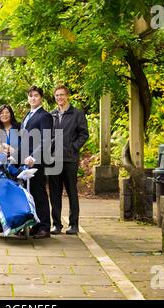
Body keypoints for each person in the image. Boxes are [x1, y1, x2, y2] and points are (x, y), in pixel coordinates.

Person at [48, 85, 89, 235]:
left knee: (72, 191)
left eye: (62, 95)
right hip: (53, 160)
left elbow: (84, 134)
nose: (59, 98)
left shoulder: (77, 114)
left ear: (67, 96)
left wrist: (73, 147)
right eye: (57, 95)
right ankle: (56, 224)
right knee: (54, 193)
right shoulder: (51, 115)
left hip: (70, 159)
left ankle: (74, 224)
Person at [20, 86, 53, 239]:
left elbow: (46, 139)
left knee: (39, 193)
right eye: (30, 96)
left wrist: (34, 156)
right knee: (30, 193)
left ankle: (45, 227)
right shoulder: (28, 114)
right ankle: (36, 224)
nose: (33, 98)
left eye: (36, 96)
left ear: (41, 98)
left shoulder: (44, 116)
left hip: (37, 161)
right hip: (26, 160)